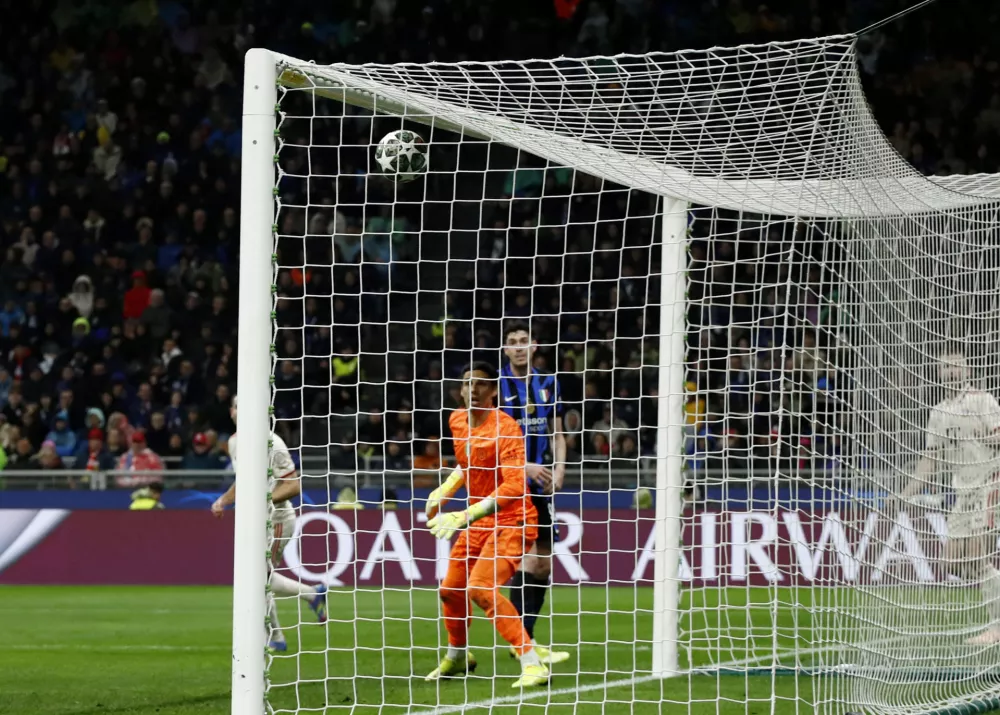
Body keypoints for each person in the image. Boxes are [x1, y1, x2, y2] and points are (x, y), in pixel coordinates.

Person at [424, 361, 549, 688]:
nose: (473, 389)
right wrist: (444, 490)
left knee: (480, 588)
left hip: (513, 520)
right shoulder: (456, 420)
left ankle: (532, 663)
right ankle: (458, 655)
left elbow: (513, 487)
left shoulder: (506, 428)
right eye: (468, 383)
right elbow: (467, 466)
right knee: (450, 589)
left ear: (493, 391)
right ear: (460, 389)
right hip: (480, 521)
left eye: (481, 384)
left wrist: (464, 515)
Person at [210, 395, 327, 653]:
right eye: (237, 406)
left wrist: (262, 500)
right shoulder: (234, 442)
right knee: (257, 578)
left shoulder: (273, 442)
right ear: (231, 412)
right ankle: (305, 602)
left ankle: (280, 631)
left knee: (258, 578)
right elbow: (244, 480)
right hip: (255, 518)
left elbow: (293, 485)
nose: (240, 411)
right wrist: (224, 500)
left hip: (277, 520)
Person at [898, 352, 1000, 643]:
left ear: (967, 370)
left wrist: (989, 438)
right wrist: (904, 495)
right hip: (962, 491)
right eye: (945, 367)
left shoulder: (983, 400)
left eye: (956, 366)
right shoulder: (939, 412)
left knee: (979, 556)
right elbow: (929, 460)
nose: (951, 371)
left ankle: (997, 627)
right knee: (952, 564)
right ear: (938, 372)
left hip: (990, 483)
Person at [497, 321, 570, 665]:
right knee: (526, 559)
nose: (519, 346)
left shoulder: (548, 383)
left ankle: (525, 638)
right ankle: (522, 642)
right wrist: (523, 466)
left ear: (534, 345)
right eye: (513, 342)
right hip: (511, 484)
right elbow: (491, 439)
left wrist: (559, 467)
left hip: (542, 485)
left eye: (525, 340)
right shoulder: (496, 385)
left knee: (542, 565)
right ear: (506, 349)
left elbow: (557, 432)